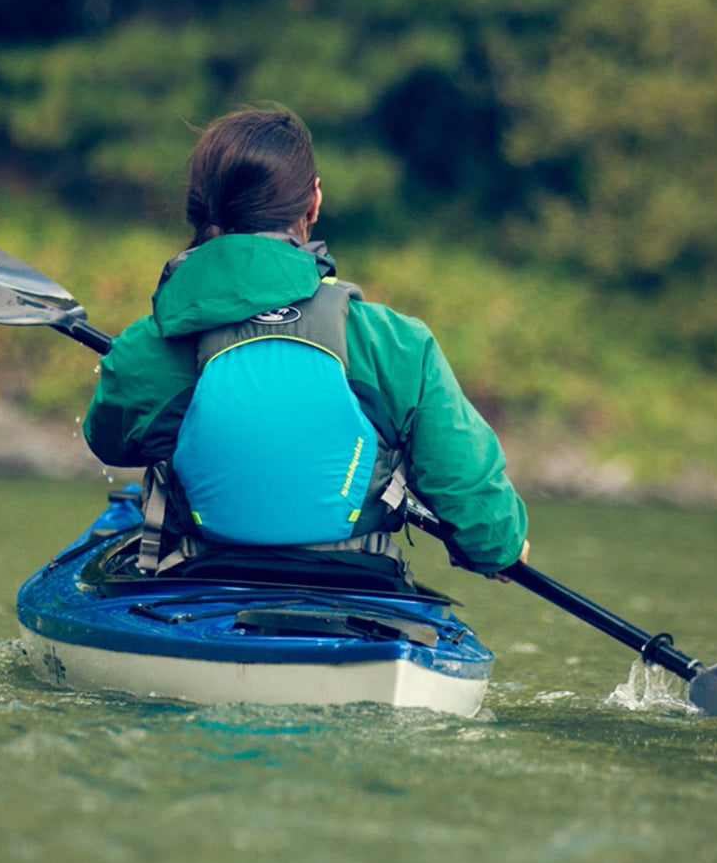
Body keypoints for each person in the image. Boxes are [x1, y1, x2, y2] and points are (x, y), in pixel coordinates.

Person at [83, 105, 528, 583]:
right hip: (359, 586)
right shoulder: (397, 343)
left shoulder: (147, 347)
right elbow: (477, 511)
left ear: (198, 207)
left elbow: (108, 441)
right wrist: (499, 549)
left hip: (201, 583)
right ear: (313, 202)